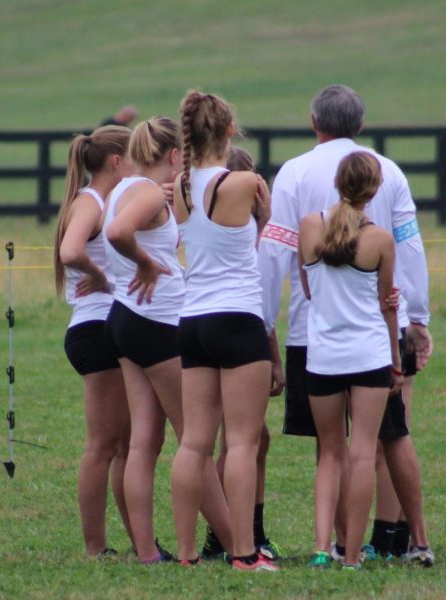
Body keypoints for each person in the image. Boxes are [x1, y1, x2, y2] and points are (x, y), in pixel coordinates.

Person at [258, 84, 435, 566]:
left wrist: (262, 321)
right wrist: (418, 319)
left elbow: (275, 252)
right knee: (390, 436)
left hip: (313, 334)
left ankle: (336, 545)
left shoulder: (294, 172)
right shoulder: (389, 170)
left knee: (329, 448)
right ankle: (404, 538)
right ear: (360, 124)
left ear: (314, 122)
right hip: (377, 333)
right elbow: (409, 248)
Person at [104, 117, 233, 564]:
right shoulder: (142, 192)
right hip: (156, 323)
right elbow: (118, 234)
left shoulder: (125, 188)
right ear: (175, 156)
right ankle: (237, 545)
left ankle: (146, 552)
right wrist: (143, 262)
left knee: (144, 442)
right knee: (194, 439)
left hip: (126, 319)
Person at [169, 91, 279, 571]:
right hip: (236, 320)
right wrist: (267, 218)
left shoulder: (180, 186)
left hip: (191, 321)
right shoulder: (245, 182)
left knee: (194, 442)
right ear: (230, 131)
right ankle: (243, 553)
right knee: (242, 442)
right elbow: (252, 242)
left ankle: (189, 554)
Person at [299, 151, 402, 569]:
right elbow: (387, 305)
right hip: (369, 355)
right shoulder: (380, 240)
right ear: (374, 190)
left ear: (338, 184)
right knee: (362, 454)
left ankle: (323, 549)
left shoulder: (309, 226)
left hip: (323, 356)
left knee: (329, 453)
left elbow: (309, 288)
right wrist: (396, 361)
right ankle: (353, 555)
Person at [53, 124, 134, 557]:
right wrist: (101, 278)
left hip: (106, 328)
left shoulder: (108, 200)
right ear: (117, 162)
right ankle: (95, 546)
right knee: (103, 447)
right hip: (95, 331)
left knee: (124, 445)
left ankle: (140, 540)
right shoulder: (91, 201)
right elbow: (70, 252)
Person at [200, 146, 283, 562]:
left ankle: (238, 533)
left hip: (199, 328)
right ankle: (232, 537)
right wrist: (276, 359)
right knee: (240, 443)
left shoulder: (211, 222)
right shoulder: (247, 236)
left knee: (235, 440)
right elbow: (260, 304)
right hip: (237, 333)